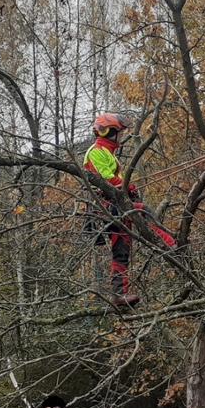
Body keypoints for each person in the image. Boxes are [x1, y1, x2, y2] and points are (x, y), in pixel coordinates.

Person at [82, 113, 175, 307]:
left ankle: (118, 294)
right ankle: (171, 246)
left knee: (122, 249)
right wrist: (127, 186)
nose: (122, 136)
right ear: (109, 132)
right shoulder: (96, 151)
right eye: (120, 132)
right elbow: (105, 179)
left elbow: (115, 179)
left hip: (113, 205)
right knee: (145, 211)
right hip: (105, 206)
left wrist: (128, 190)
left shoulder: (108, 152)